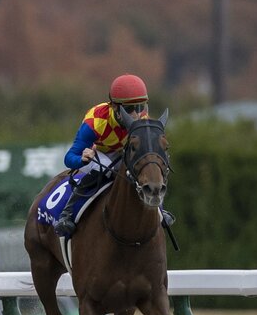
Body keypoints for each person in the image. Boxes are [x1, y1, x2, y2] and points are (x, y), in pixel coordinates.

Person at [53, 73, 172, 238]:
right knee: (107, 169)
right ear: (115, 107)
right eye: (130, 109)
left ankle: (160, 210)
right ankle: (66, 214)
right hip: (98, 152)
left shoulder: (142, 118)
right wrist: (82, 158)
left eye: (140, 107)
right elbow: (69, 158)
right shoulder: (95, 122)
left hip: (121, 151)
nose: (137, 115)